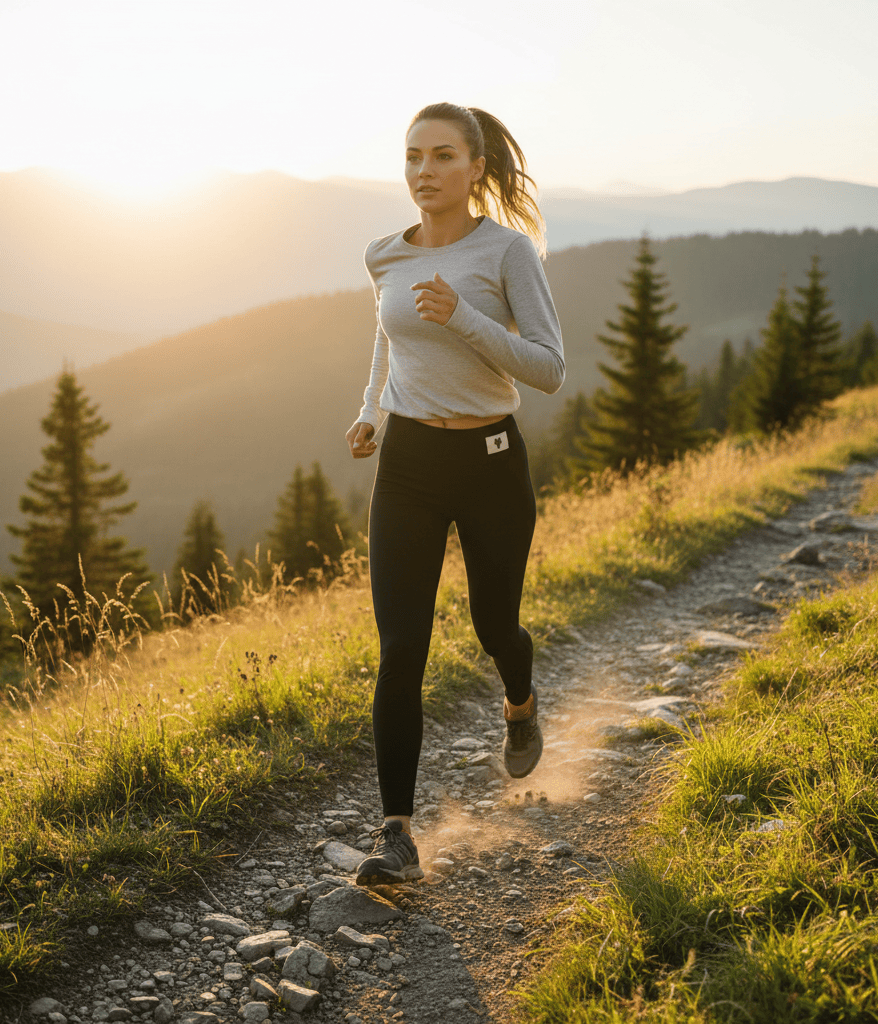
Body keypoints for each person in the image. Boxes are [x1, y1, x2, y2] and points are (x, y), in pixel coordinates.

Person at [345, 102, 564, 885]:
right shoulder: (384, 255)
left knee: (494, 624)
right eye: (413, 156)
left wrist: (465, 316)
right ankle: (397, 834)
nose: (423, 171)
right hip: (407, 462)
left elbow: (548, 368)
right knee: (401, 648)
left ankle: (521, 702)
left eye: (441, 156)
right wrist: (371, 411)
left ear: (475, 168)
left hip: (489, 460)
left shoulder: (507, 252)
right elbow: (388, 338)